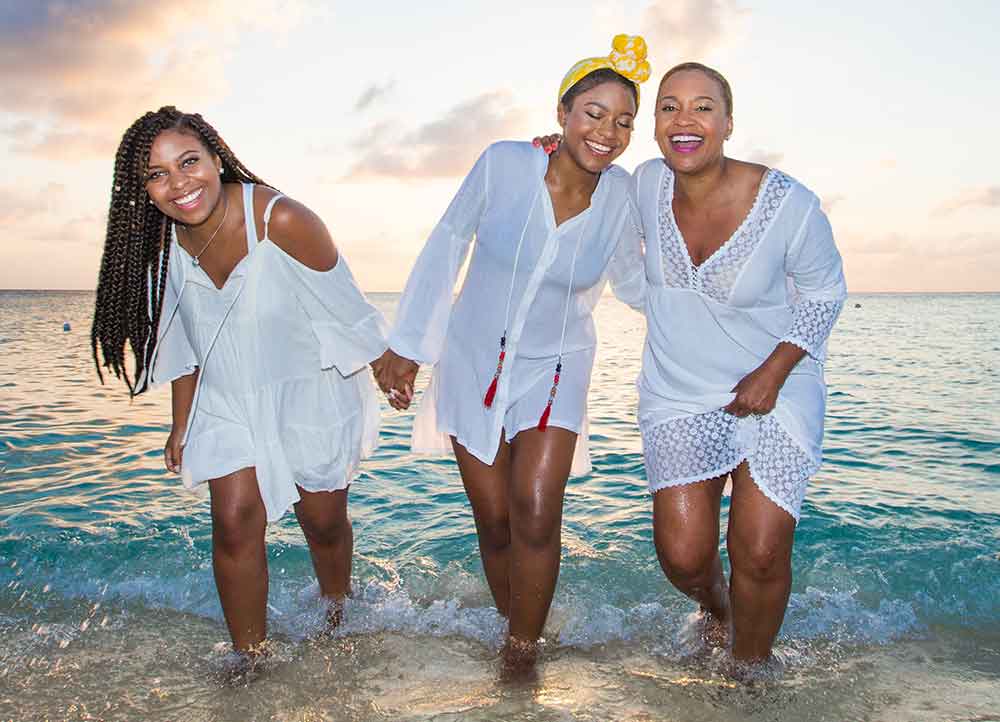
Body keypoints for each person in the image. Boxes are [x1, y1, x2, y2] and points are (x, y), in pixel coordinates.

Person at [374, 36, 649, 670]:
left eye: (624, 121)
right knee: (495, 519)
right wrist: (409, 347)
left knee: (534, 508)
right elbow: (447, 244)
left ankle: (522, 654)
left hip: (559, 364)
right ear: (562, 113)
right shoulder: (502, 163)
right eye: (594, 112)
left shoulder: (623, 196)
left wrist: (716, 314)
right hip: (473, 362)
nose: (608, 131)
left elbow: (636, 281)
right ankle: (514, 624)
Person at [91, 107, 388, 663]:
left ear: (215, 158)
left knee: (322, 523)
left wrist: (391, 367)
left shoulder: (284, 219)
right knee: (232, 523)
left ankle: (338, 608)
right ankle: (248, 659)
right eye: (157, 174)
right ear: (142, 189)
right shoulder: (167, 244)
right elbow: (184, 337)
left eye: (188, 162)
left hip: (309, 388)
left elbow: (350, 312)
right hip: (226, 394)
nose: (178, 184)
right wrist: (182, 423)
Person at [635, 63, 847, 665]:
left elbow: (826, 293)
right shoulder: (644, 185)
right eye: (669, 106)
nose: (685, 120)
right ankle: (719, 609)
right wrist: (546, 151)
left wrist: (774, 370)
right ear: (655, 124)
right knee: (681, 555)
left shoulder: (789, 204)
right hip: (679, 390)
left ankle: (750, 669)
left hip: (775, 385)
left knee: (758, 549)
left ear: (728, 123)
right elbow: (581, 182)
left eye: (703, 107)